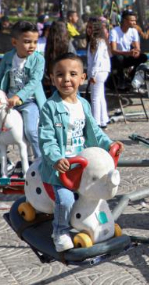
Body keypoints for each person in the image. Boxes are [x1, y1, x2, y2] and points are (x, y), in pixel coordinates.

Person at [38, 52, 124, 252]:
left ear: (82, 78)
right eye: (60, 74)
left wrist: (110, 145)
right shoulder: (50, 108)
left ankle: (100, 223)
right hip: (61, 169)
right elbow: (46, 138)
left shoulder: (84, 105)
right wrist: (56, 158)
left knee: (97, 191)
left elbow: (93, 132)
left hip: (83, 165)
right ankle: (60, 230)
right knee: (67, 199)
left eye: (73, 74)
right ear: (52, 78)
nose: (66, 79)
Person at [0, 21, 46, 176]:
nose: (32, 46)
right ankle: (3, 161)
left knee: (31, 130)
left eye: (35, 42)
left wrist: (19, 96)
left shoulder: (38, 59)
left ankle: (42, 162)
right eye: (27, 42)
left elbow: (34, 82)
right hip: (8, 102)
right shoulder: (8, 57)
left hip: (29, 101)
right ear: (15, 42)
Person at [109, 10, 146, 88]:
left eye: (135, 21)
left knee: (143, 57)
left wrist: (136, 52)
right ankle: (121, 78)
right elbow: (113, 51)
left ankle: (132, 76)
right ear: (125, 21)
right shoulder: (114, 31)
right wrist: (128, 53)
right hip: (116, 58)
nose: (134, 23)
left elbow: (137, 47)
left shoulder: (134, 31)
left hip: (128, 56)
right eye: (132, 21)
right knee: (119, 58)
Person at [86, 17, 111, 129]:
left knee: (95, 97)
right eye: (87, 27)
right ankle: (103, 119)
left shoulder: (98, 41)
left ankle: (95, 122)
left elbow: (97, 59)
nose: (88, 29)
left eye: (90, 27)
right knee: (100, 96)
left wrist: (93, 74)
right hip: (101, 70)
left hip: (99, 71)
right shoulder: (98, 40)